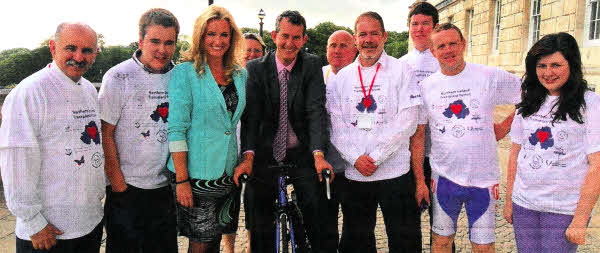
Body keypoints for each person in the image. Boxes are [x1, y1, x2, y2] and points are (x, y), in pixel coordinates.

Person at [414, 23, 521, 253]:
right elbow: (420, 134)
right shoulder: (426, 86)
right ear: (433, 51)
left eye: (453, 43)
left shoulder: (488, 76)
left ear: (463, 44)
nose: (448, 50)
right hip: (444, 179)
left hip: (483, 180)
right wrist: (420, 180)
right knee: (441, 242)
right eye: (441, 46)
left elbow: (530, 94)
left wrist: (505, 126)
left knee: (483, 247)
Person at [0, 22, 105, 253]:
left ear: (95, 53)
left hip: (88, 223)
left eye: (87, 50)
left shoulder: (88, 89)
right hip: (47, 232)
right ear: (53, 47)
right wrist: (33, 223)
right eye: (71, 48)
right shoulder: (29, 92)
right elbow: (16, 159)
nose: (78, 57)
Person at [327, 11, 425, 253]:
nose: (368, 39)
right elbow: (335, 124)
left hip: (396, 172)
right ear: (355, 39)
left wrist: (377, 156)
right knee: (356, 243)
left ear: (385, 36)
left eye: (374, 33)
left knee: (405, 242)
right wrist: (356, 158)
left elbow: (408, 119)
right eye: (363, 34)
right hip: (356, 174)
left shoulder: (403, 71)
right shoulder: (341, 79)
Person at [240, 10, 335, 253]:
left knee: (316, 207)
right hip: (265, 151)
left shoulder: (311, 64)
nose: (289, 44)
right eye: (284, 36)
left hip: (302, 151)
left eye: (296, 38)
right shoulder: (255, 69)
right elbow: (252, 118)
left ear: (304, 39)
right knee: (257, 208)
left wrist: (318, 155)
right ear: (274, 36)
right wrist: (248, 157)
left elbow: (315, 111)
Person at [503, 32, 600, 252]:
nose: (548, 73)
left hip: (563, 210)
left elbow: (597, 165)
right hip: (524, 205)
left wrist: (580, 219)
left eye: (556, 65)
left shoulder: (591, 104)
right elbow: (515, 153)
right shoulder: (528, 101)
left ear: (572, 64)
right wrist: (510, 201)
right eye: (541, 66)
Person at [167, 5, 248, 253]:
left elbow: (236, 124)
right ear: (200, 36)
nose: (218, 41)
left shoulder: (239, 74)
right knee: (200, 244)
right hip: (194, 176)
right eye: (211, 34)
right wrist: (182, 180)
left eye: (224, 34)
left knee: (215, 241)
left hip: (227, 173)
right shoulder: (184, 73)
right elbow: (177, 129)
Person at [98, 8, 179, 253]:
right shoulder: (118, 76)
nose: (162, 50)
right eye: (155, 41)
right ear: (141, 40)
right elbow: (105, 133)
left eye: (169, 43)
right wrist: (118, 185)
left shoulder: (179, 76)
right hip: (127, 191)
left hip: (164, 190)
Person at [222, 32, 266, 253]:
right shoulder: (226, 80)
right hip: (229, 152)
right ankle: (229, 248)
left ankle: (251, 246)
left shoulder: (265, 81)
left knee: (253, 206)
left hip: (255, 153)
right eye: (246, 50)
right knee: (228, 206)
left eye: (256, 51)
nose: (251, 55)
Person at [321, 29, 357, 250]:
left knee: (355, 225)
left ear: (354, 50)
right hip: (325, 165)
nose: (337, 50)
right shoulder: (319, 75)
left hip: (353, 166)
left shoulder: (362, 76)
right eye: (333, 45)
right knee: (325, 223)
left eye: (344, 45)